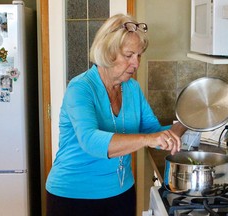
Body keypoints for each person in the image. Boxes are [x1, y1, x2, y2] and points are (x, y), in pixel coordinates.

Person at [45, 13, 187, 216]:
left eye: (139, 55)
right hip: (74, 196)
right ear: (107, 52)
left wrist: (186, 121)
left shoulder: (132, 89)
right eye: (129, 55)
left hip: (121, 193)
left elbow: (154, 134)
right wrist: (148, 138)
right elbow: (91, 141)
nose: (136, 63)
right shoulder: (81, 88)